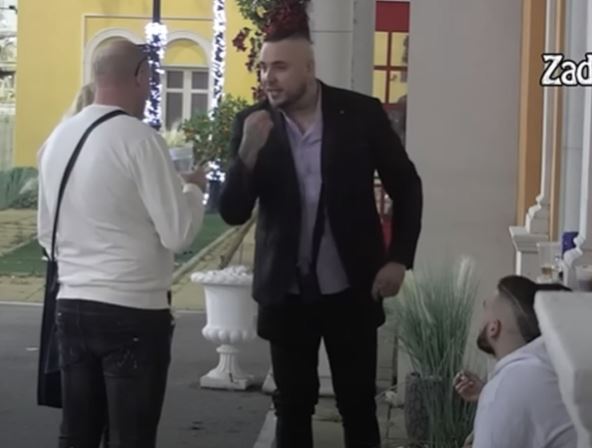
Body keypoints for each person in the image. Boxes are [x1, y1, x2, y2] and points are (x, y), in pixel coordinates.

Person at [218, 9, 423, 448]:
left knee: (357, 404)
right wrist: (247, 154)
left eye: (279, 67)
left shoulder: (360, 114)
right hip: (286, 291)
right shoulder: (253, 124)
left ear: (309, 68)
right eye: (263, 67)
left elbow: (406, 186)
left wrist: (399, 258)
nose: (268, 78)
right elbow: (233, 212)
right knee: (292, 405)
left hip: (352, 286)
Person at [37, 39, 206, 448]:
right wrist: (192, 190)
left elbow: (46, 235)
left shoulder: (57, 139)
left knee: (77, 434)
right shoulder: (139, 139)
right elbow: (178, 233)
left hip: (71, 307)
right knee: (131, 437)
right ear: (140, 76)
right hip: (134, 310)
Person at [453, 276, 576, 448]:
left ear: (494, 327)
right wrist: (485, 393)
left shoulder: (504, 390)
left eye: (485, 307)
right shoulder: (550, 365)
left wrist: (493, 397)